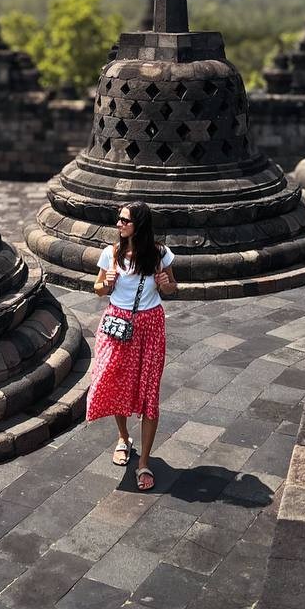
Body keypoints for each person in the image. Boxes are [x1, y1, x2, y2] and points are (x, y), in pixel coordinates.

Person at [87, 202, 177, 490]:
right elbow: (98, 288)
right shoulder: (110, 253)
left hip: (150, 326)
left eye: (124, 220)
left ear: (139, 224)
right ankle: (123, 437)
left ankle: (144, 463)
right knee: (114, 383)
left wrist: (165, 283)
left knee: (149, 392)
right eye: (119, 220)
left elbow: (172, 288)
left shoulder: (160, 254)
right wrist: (106, 284)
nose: (119, 224)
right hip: (117, 324)